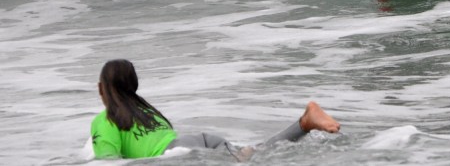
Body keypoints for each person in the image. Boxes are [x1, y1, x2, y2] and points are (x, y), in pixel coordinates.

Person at [90, 59, 340, 161]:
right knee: (252, 155)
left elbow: (108, 163)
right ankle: (304, 123)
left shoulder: (106, 120)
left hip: (179, 156)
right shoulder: (150, 113)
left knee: (251, 159)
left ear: (102, 89)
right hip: (199, 141)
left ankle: (306, 122)